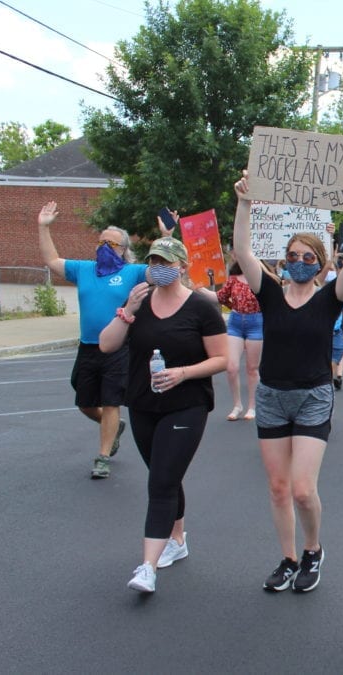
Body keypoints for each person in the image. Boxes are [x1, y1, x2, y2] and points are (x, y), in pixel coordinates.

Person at [232, 173, 343, 594]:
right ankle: (289, 558)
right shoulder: (270, 293)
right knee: (277, 489)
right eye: (294, 255)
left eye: (309, 257)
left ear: (321, 263)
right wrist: (244, 203)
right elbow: (241, 250)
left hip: (312, 396)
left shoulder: (330, 297)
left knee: (303, 489)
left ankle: (313, 549)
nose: (300, 262)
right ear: (284, 258)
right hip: (272, 397)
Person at [98, 237, 227, 593]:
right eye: (154, 260)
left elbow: (222, 358)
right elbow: (107, 344)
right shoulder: (138, 300)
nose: (160, 267)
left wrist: (183, 373)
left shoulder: (201, 307)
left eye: (167, 261)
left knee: (161, 483)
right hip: (143, 403)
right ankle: (177, 538)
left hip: (187, 403)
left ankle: (147, 567)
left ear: (182, 267)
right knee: (163, 473)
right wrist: (127, 313)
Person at [37, 201, 149, 479]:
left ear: (123, 249)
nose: (103, 247)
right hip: (88, 347)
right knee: (85, 402)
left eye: (110, 244)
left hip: (119, 347)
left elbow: (162, 270)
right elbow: (52, 261)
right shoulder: (84, 269)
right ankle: (112, 428)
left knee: (111, 401)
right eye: (100, 242)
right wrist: (43, 228)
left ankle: (102, 457)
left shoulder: (132, 273)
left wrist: (168, 236)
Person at [216, 257, 263, 420]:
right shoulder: (233, 279)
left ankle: (252, 406)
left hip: (256, 322)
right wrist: (199, 289)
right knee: (231, 367)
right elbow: (220, 297)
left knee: (252, 368)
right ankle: (237, 405)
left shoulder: (262, 277)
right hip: (236, 322)